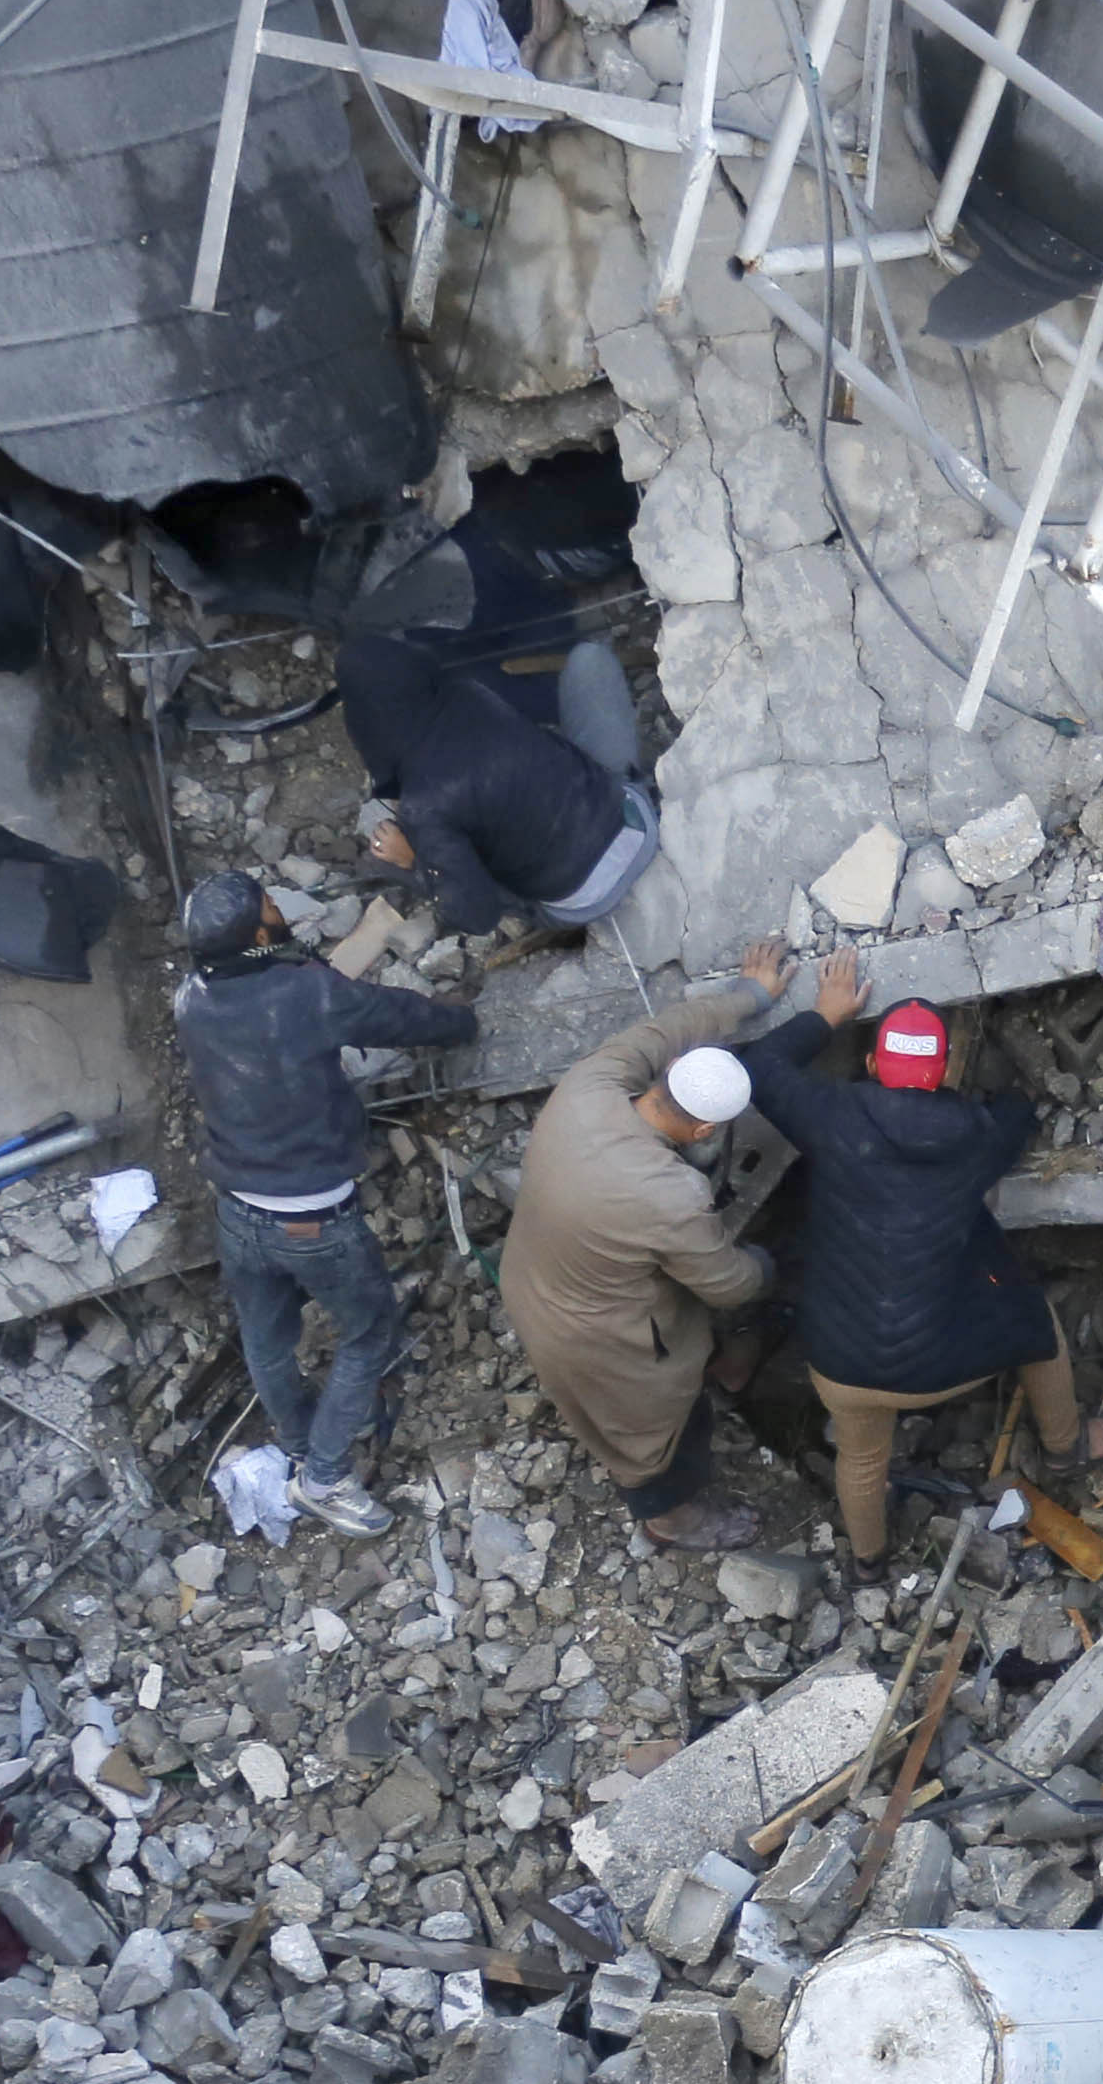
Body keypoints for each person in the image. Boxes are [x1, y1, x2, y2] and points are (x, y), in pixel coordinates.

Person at [168, 864, 475, 1536]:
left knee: (267, 1340)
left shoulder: (191, 997)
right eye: (269, 908)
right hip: (311, 1221)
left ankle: (303, 1444)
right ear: (258, 935)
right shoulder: (302, 991)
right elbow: (395, 1017)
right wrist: (462, 1021)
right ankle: (325, 1479)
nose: (279, 909)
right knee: (369, 1331)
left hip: (238, 1211)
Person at [743, 952, 1079, 1565]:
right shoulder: (976, 1131)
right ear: (945, 1070)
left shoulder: (830, 1112)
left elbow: (761, 1065)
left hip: (841, 1363)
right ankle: (1065, 1451)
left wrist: (826, 1014)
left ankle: (869, 1564)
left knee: (861, 1456)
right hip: (942, 1364)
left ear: (872, 1064)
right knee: (1042, 1332)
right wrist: (1012, 1096)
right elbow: (1018, 1111)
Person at [502, 971, 783, 1554]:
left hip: (533, 1276)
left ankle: (716, 1371)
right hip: (596, 1336)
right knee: (654, 1429)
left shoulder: (591, 1084)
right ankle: (671, 1518)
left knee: (656, 1357)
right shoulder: (670, 1194)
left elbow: (666, 1027)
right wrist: (766, 1265)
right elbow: (727, 1285)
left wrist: (749, 997)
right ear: (705, 1129)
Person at [342, 628, 657, 936]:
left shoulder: (423, 807)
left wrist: (414, 863)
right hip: (633, 822)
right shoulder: (471, 695)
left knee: (392, 857)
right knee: (589, 659)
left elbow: (479, 917)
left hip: (584, 900)